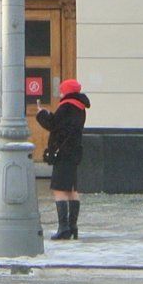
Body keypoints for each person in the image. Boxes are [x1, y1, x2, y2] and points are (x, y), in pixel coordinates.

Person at [35, 78, 90, 239]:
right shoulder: (80, 107)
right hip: (74, 152)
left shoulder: (66, 106)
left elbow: (53, 125)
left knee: (59, 189)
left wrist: (41, 114)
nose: (60, 93)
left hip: (63, 153)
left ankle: (64, 228)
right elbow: (64, 125)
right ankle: (73, 227)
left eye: (61, 90)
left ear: (67, 91)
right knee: (72, 190)